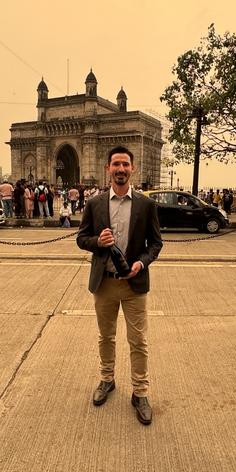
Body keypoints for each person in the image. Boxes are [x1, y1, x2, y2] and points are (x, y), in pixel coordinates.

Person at [76, 146, 163, 425]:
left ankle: (140, 392)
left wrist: (142, 263)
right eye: (116, 164)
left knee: (138, 341)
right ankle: (107, 379)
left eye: (125, 164)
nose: (121, 169)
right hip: (104, 284)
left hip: (135, 284)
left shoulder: (146, 205)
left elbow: (156, 243)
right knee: (106, 337)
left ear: (132, 169)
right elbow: (81, 238)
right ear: (108, 168)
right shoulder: (96, 203)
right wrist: (96, 242)